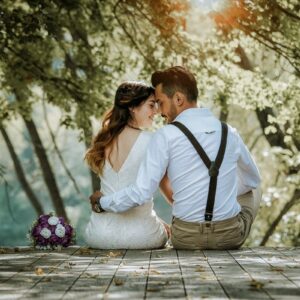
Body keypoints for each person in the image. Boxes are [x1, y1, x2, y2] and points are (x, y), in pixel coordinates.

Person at [90, 66, 261, 250]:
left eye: (160, 102)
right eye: (153, 104)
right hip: (229, 237)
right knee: (252, 189)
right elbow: (252, 180)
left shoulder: (165, 136)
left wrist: (102, 203)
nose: (159, 111)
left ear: (178, 99)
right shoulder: (230, 133)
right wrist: (222, 194)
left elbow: (141, 192)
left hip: (186, 238)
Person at [84, 81, 169, 249]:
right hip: (143, 237)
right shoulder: (152, 140)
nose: (157, 111)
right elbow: (141, 194)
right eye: (151, 105)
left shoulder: (103, 140)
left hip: (99, 236)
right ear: (132, 107)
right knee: (165, 231)